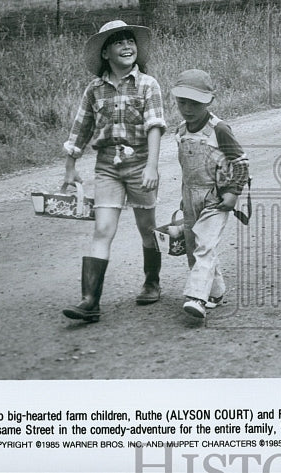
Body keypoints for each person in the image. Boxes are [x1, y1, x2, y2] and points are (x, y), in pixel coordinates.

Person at [61, 19, 166, 323]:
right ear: (105, 53)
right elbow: (80, 128)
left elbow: (155, 127)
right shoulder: (94, 89)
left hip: (139, 166)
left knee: (147, 228)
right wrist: (70, 166)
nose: (126, 46)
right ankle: (90, 301)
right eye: (118, 42)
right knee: (103, 229)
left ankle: (151, 281)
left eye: (130, 41)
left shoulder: (148, 84)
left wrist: (151, 166)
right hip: (107, 166)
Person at [171, 69, 249, 320]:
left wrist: (234, 192)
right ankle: (215, 292)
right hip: (190, 196)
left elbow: (240, 161)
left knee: (205, 246)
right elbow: (187, 169)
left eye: (195, 103)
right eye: (182, 102)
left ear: (209, 101)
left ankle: (196, 297)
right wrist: (185, 199)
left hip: (216, 198)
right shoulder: (181, 130)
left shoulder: (220, 129)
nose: (188, 108)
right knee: (194, 247)